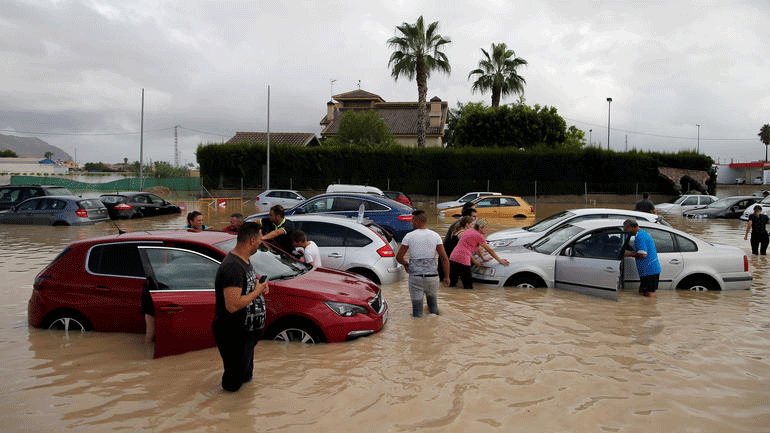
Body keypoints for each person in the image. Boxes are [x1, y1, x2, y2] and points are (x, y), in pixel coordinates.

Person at [212, 221, 269, 392]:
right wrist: (257, 291)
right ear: (252, 240)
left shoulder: (244, 261)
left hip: (245, 333)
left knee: (245, 378)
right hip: (233, 333)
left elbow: (245, 289)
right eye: (260, 238)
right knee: (232, 384)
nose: (262, 242)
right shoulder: (233, 267)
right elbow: (233, 305)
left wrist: (259, 286)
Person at [396, 210, 451, 317]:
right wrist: (447, 276)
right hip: (432, 278)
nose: (411, 223)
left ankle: (418, 331)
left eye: (412, 221)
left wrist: (406, 264)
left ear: (416, 221)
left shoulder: (409, 236)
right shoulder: (435, 235)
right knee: (433, 308)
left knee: (417, 312)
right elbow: (444, 258)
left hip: (415, 278)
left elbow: (399, 257)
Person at [448, 218, 509, 289]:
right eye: (486, 227)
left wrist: (482, 258)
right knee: (468, 287)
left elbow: (475, 248)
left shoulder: (469, 231)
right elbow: (489, 250)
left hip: (453, 258)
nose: (487, 229)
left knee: (452, 284)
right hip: (463, 261)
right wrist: (500, 260)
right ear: (481, 227)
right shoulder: (479, 236)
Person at [623, 218, 661, 297]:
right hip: (646, 270)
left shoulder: (640, 237)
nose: (625, 231)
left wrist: (628, 254)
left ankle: (650, 308)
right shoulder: (641, 234)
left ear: (631, 227)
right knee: (642, 292)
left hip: (650, 270)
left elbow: (643, 254)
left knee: (649, 294)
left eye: (626, 229)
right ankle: (644, 307)